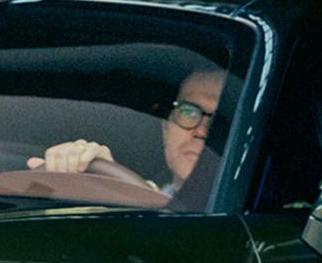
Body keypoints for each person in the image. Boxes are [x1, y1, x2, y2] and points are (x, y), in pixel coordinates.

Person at [24, 68, 227, 207]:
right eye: (188, 112)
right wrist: (93, 181)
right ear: (166, 129)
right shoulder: (139, 198)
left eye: (220, 121)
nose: (201, 131)